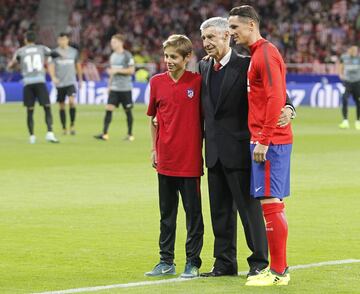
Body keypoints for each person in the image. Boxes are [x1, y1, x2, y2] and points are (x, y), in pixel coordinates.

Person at [198, 17, 295, 279]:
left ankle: (259, 262)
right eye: (204, 38)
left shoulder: (247, 64)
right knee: (220, 213)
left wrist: (289, 108)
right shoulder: (203, 67)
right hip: (215, 152)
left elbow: (276, 93)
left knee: (249, 212)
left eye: (211, 37)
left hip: (243, 150)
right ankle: (224, 263)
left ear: (226, 36)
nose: (206, 43)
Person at [229, 5, 293, 286]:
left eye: (234, 28)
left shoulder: (265, 54)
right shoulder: (258, 55)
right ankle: (279, 269)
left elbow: (275, 97)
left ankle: (279, 272)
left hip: (269, 141)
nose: (231, 33)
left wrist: (264, 140)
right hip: (268, 139)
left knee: (270, 204)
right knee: (273, 203)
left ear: (251, 25)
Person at [145, 34, 204, 279]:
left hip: (189, 161)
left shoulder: (199, 82)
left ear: (187, 57)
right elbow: (153, 119)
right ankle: (165, 261)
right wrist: (154, 149)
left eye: (174, 57)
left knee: (193, 216)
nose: (168, 61)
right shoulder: (157, 82)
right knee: (166, 215)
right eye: (166, 56)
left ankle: (193, 262)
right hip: (165, 160)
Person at [7, 31, 59, 144]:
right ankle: (50, 133)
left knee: (30, 111)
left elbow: (11, 65)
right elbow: (54, 54)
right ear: (34, 40)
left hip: (28, 83)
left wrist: (15, 66)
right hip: (40, 81)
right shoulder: (41, 48)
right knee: (47, 108)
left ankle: (32, 137)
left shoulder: (20, 51)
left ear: (25, 40)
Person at [94, 34, 135, 141]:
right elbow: (112, 72)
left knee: (128, 111)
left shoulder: (127, 55)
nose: (112, 44)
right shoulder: (113, 56)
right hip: (114, 88)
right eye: (112, 42)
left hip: (125, 88)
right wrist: (109, 85)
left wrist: (117, 71)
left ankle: (130, 134)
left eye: (114, 42)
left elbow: (131, 71)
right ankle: (105, 134)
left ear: (120, 43)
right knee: (108, 108)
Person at [50, 32, 83, 135]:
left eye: (64, 39)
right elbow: (51, 66)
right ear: (58, 41)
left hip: (71, 82)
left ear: (67, 40)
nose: (62, 42)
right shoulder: (54, 53)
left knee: (72, 102)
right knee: (61, 105)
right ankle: (64, 128)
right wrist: (53, 77)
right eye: (60, 40)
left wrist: (80, 79)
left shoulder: (74, 52)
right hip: (60, 83)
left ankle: (72, 125)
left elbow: (78, 66)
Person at [338, 45, 360, 130]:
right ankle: (345, 121)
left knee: (358, 102)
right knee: (344, 99)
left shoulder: (358, 58)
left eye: (356, 51)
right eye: (353, 50)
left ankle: (358, 121)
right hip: (347, 83)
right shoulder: (344, 57)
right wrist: (340, 74)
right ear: (350, 50)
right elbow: (341, 65)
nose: (355, 52)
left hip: (357, 83)